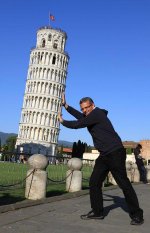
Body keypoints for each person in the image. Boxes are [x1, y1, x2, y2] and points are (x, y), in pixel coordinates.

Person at [58, 95, 144, 225]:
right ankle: (97, 212)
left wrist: (62, 121)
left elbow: (79, 123)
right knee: (94, 182)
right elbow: (80, 117)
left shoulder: (97, 113)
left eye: (86, 108)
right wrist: (66, 106)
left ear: (93, 105)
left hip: (115, 152)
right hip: (104, 155)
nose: (84, 111)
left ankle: (137, 215)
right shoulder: (91, 115)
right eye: (83, 109)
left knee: (124, 184)